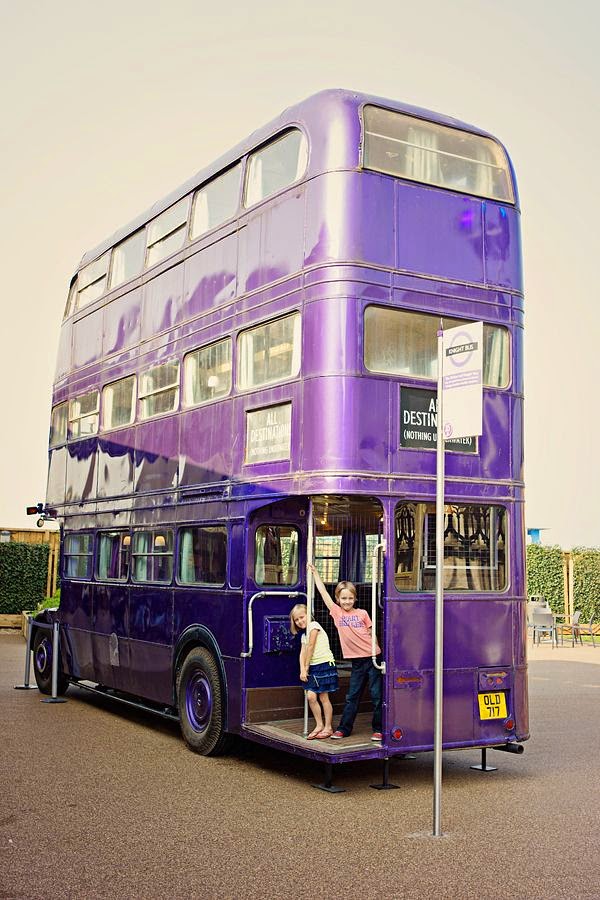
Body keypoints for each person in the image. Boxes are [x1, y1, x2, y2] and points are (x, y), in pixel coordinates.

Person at [307, 563, 383, 741]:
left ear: (354, 599)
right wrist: (315, 574)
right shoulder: (337, 612)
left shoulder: (363, 613)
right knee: (352, 696)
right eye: (343, 598)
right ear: (338, 599)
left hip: (372, 658)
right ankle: (344, 729)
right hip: (357, 662)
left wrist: (377, 653)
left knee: (377, 696)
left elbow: (372, 634)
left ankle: (379, 729)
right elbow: (323, 593)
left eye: (350, 598)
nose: (347, 601)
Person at [289, 603, 338, 740]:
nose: (300, 621)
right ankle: (319, 724)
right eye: (296, 620)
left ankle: (328, 727)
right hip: (313, 666)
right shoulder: (304, 634)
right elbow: (302, 652)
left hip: (323, 664)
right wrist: (302, 670)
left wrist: (306, 667)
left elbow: (311, 647)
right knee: (311, 697)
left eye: (302, 617)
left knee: (323, 697)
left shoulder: (314, 626)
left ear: (308, 615)